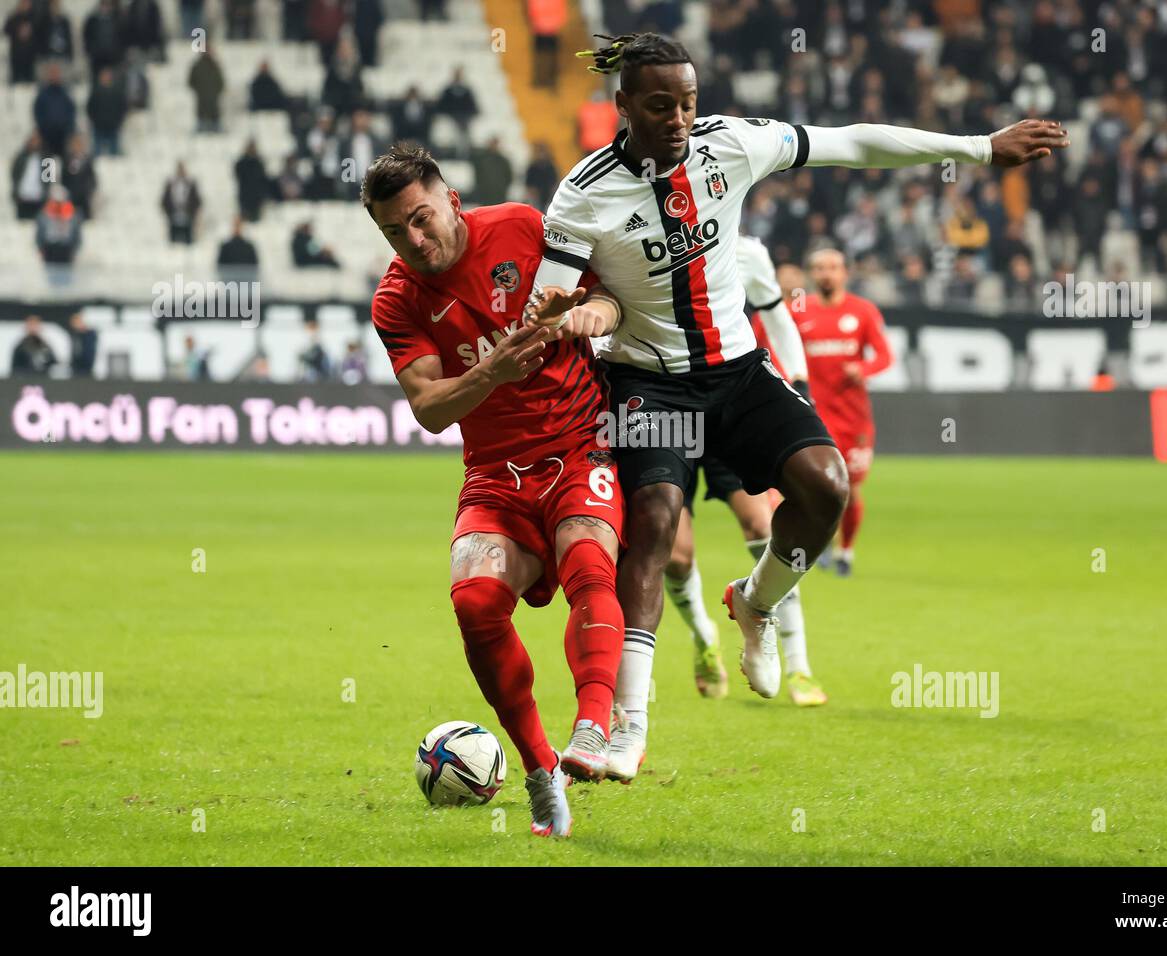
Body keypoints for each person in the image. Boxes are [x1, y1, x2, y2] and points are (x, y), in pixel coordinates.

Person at [529, 32, 1066, 780]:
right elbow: (543, 308)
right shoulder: (584, 192)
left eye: (688, 101)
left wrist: (978, 147)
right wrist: (572, 310)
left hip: (739, 370)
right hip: (648, 383)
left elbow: (852, 142)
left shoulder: (732, 145)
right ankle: (627, 729)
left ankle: (756, 602)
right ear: (622, 106)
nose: (680, 118)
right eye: (660, 105)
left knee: (828, 486)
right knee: (652, 524)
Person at [363, 142, 627, 837]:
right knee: (474, 601)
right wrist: (494, 373)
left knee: (590, 564)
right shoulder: (396, 301)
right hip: (493, 475)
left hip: (579, 446)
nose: (415, 240)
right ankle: (541, 774)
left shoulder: (520, 227)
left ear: (451, 199)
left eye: (421, 218)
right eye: (395, 232)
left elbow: (609, 298)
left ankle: (595, 727)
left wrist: (587, 316)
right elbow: (428, 407)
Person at [663, 233, 829, 707]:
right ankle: (703, 638)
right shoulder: (642, 235)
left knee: (764, 525)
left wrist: (798, 382)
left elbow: (776, 316)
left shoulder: (747, 251)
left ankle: (799, 666)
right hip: (664, 407)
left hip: (729, 404)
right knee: (675, 555)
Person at [799, 247, 893, 577]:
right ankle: (820, 541)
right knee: (813, 486)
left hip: (853, 418)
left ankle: (846, 550)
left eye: (833, 267)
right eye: (820, 267)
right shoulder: (798, 311)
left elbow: (884, 356)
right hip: (812, 415)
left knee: (850, 490)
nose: (827, 273)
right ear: (811, 273)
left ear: (845, 273)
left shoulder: (863, 311)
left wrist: (863, 368)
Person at [161, 162, 201, 243]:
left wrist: (192, 212)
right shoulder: (171, 184)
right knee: (173, 242)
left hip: (188, 216)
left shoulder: (191, 184)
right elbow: (165, 200)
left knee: (188, 241)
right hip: (174, 216)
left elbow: (197, 201)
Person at [68, 311, 98, 377]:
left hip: (87, 369)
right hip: (76, 370)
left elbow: (89, 353)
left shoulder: (90, 335)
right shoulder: (75, 335)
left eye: (76, 322)